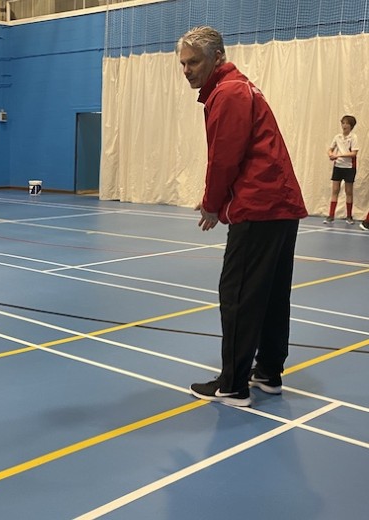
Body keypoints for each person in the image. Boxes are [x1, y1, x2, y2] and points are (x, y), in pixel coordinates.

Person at [177, 26, 308, 407]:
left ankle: (233, 385)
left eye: (194, 61)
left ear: (217, 57)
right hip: (279, 205)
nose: (186, 69)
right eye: (183, 63)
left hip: (260, 206)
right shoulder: (241, 87)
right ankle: (268, 371)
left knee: (237, 295)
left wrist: (211, 204)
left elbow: (225, 156)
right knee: (269, 294)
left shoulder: (229, 92)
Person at [325, 115, 359, 225]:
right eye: (343, 123)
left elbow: (353, 153)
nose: (344, 125)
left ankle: (349, 216)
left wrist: (339, 155)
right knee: (335, 191)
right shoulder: (337, 137)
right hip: (338, 167)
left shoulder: (353, 137)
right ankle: (331, 215)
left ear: (351, 126)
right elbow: (330, 149)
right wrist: (331, 155)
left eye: (347, 123)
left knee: (348, 192)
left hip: (349, 168)